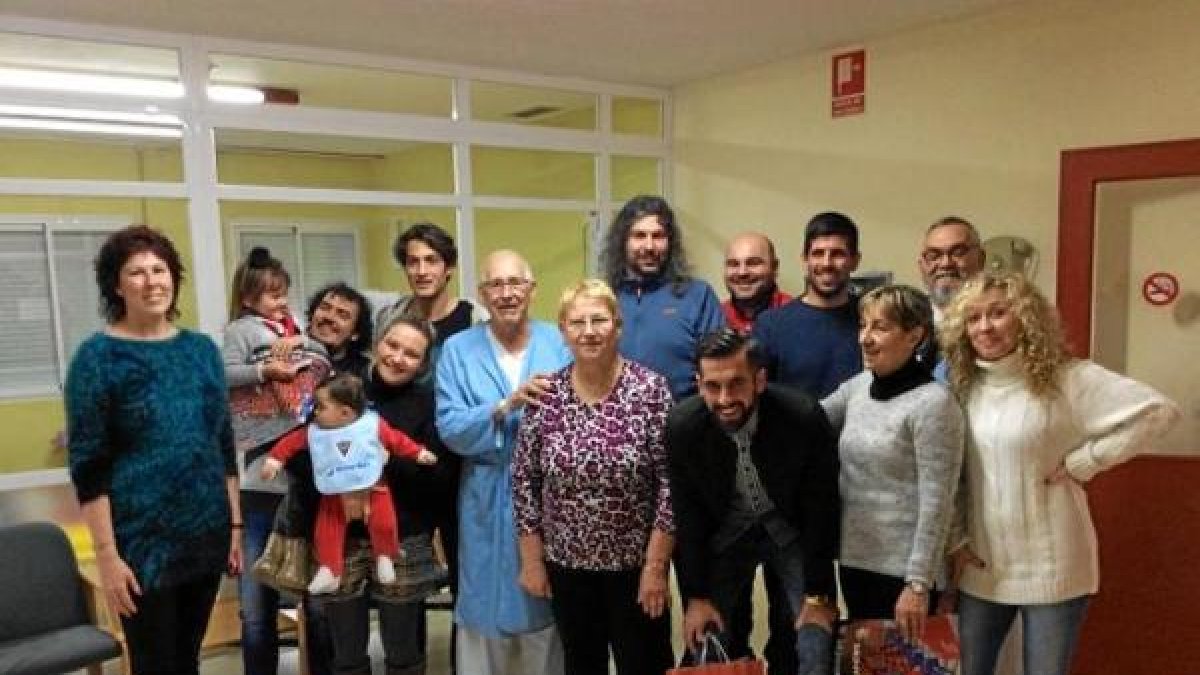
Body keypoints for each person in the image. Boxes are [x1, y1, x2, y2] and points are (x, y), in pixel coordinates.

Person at [939, 271, 1180, 675]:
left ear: (1025, 317)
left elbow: (1159, 411)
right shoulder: (965, 387)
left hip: (1054, 567)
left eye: (998, 313)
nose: (985, 327)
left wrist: (1087, 461)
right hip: (981, 566)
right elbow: (956, 476)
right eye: (973, 317)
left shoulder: (1069, 379)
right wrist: (956, 539)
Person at [65, 225, 241, 675]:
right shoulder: (97, 358)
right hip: (141, 543)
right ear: (116, 285)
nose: (152, 281)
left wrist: (235, 525)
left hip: (205, 532)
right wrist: (106, 555)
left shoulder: (201, 350)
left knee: (188, 657)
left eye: (159, 269)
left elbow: (222, 443)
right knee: (154, 664)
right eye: (137, 272)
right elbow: (89, 465)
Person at [512, 279, 675, 675]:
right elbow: (523, 485)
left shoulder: (651, 390)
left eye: (599, 319)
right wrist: (532, 563)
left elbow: (671, 487)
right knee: (582, 665)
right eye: (577, 322)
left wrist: (656, 569)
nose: (589, 331)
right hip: (567, 568)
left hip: (636, 569)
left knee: (645, 664)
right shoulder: (544, 396)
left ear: (617, 326)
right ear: (563, 330)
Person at [667, 328, 839, 675]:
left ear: (759, 380)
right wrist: (696, 597)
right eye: (712, 387)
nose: (725, 398)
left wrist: (818, 593)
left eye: (736, 384)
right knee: (707, 640)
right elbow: (688, 517)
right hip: (726, 535)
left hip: (790, 531)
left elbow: (822, 506)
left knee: (814, 640)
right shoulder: (682, 427)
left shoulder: (803, 416)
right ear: (699, 384)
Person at [436, 250, 571, 675]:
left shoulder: (559, 341)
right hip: (486, 491)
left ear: (532, 289)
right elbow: (452, 427)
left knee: (545, 606)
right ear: (482, 293)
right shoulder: (458, 349)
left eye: (516, 283)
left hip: (551, 493)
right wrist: (504, 405)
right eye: (496, 285)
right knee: (483, 605)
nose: (507, 293)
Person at [318, 314, 459, 675]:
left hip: (404, 538)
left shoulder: (431, 403)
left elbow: (441, 475)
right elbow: (307, 450)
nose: (397, 357)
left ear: (425, 363)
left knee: (403, 653)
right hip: (341, 537)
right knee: (346, 654)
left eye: (411, 354)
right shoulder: (341, 389)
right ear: (377, 343)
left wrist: (379, 464)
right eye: (392, 345)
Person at [820, 285, 963, 639]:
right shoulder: (859, 387)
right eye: (863, 325)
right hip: (856, 562)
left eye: (880, 328)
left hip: (904, 574)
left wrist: (918, 584)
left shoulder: (934, 404)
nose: (866, 338)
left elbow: (937, 501)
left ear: (915, 335)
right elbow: (808, 422)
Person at [223, 246, 330, 675]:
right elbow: (225, 373)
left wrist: (303, 350)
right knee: (255, 607)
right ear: (249, 299)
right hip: (258, 487)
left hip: (303, 482)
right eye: (270, 295)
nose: (280, 302)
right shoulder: (240, 330)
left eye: (283, 293)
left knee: (316, 601)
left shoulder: (292, 328)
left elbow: (319, 358)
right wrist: (267, 372)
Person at [263, 373, 437, 594]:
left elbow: (397, 440)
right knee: (326, 529)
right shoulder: (314, 432)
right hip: (334, 491)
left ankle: (384, 555)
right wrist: (275, 460)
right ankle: (330, 569)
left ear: (345, 412)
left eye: (321, 407)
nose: (314, 412)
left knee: (384, 522)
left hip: (374, 486)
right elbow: (290, 443)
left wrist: (418, 452)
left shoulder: (372, 425)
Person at [602, 195, 725, 400]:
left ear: (671, 242)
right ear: (623, 242)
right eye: (639, 236)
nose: (649, 247)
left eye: (658, 236)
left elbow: (720, 367)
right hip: (615, 425)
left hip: (682, 423)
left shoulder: (698, 295)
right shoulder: (604, 298)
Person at [752, 211, 863, 398]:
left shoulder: (873, 322)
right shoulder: (771, 326)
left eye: (837, 254)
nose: (827, 263)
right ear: (805, 259)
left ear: (855, 261)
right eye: (818, 253)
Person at [370, 221, 488, 344]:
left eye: (431, 261)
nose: (422, 271)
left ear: (449, 268)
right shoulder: (389, 318)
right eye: (413, 262)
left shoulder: (476, 319)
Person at [916, 216, 986, 375]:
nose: (946, 263)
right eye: (934, 256)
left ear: (981, 259)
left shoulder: (1000, 324)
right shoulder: (905, 322)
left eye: (958, 252)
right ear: (921, 265)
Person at [722, 232, 791, 334]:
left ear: (775, 267)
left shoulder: (795, 315)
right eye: (733, 264)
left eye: (753, 263)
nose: (742, 272)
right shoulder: (715, 317)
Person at [306, 282, 375, 379]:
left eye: (342, 316)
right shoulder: (288, 351)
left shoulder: (367, 373)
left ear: (355, 333)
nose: (329, 317)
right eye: (324, 308)